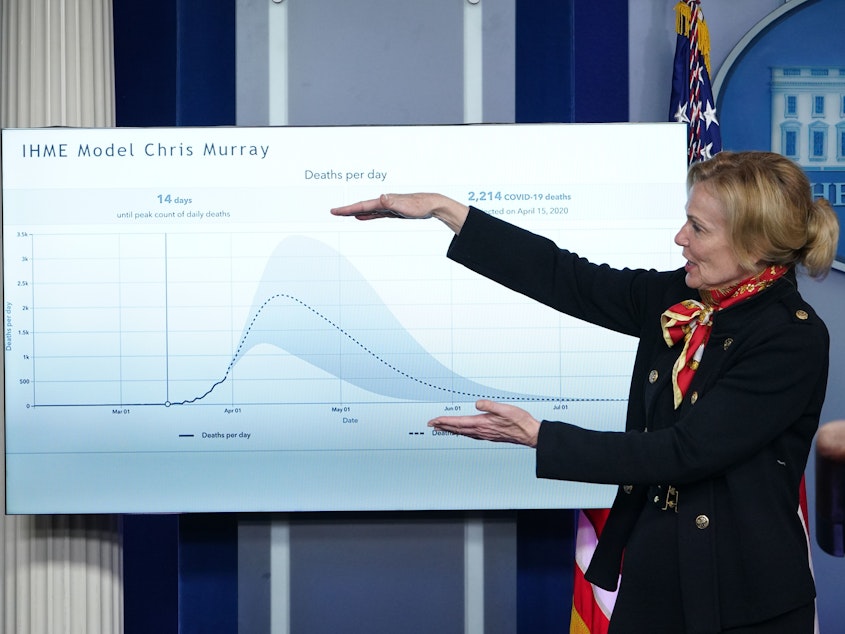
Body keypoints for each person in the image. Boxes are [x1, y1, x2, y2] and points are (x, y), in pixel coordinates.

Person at [331, 150, 840, 633]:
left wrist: (542, 437)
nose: (680, 237)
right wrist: (448, 212)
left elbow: (685, 452)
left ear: (754, 246)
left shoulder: (792, 337)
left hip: (744, 600)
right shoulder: (685, 295)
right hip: (655, 581)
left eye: (699, 228)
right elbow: (568, 278)